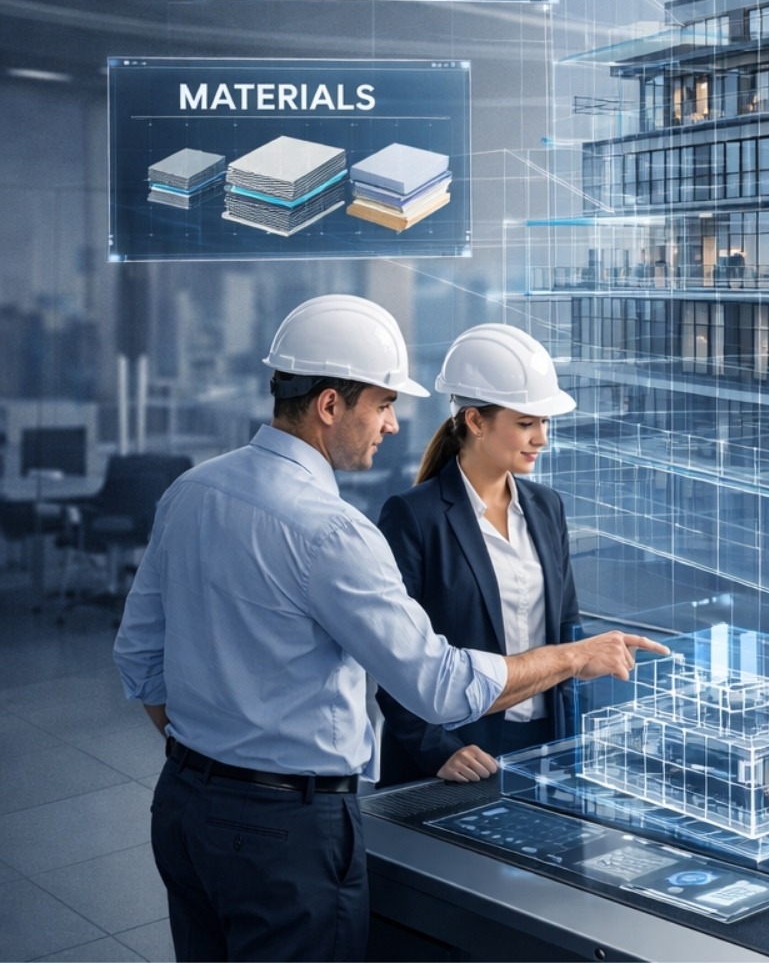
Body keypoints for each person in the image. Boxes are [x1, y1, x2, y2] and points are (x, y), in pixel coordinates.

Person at [112, 294, 668, 962]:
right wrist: (570, 659)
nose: (394, 425)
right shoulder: (333, 532)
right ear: (328, 406)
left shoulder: (191, 491)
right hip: (288, 832)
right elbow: (437, 684)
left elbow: (140, 656)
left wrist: (211, 764)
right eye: (381, 404)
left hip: (185, 807)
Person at [376, 323, 583, 787]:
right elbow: (390, 656)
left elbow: (567, 629)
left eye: (544, 423)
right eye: (526, 423)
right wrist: (437, 749)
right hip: (457, 757)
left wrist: (575, 740)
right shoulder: (413, 516)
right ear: (475, 421)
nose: (541, 438)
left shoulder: (546, 508)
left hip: (544, 750)